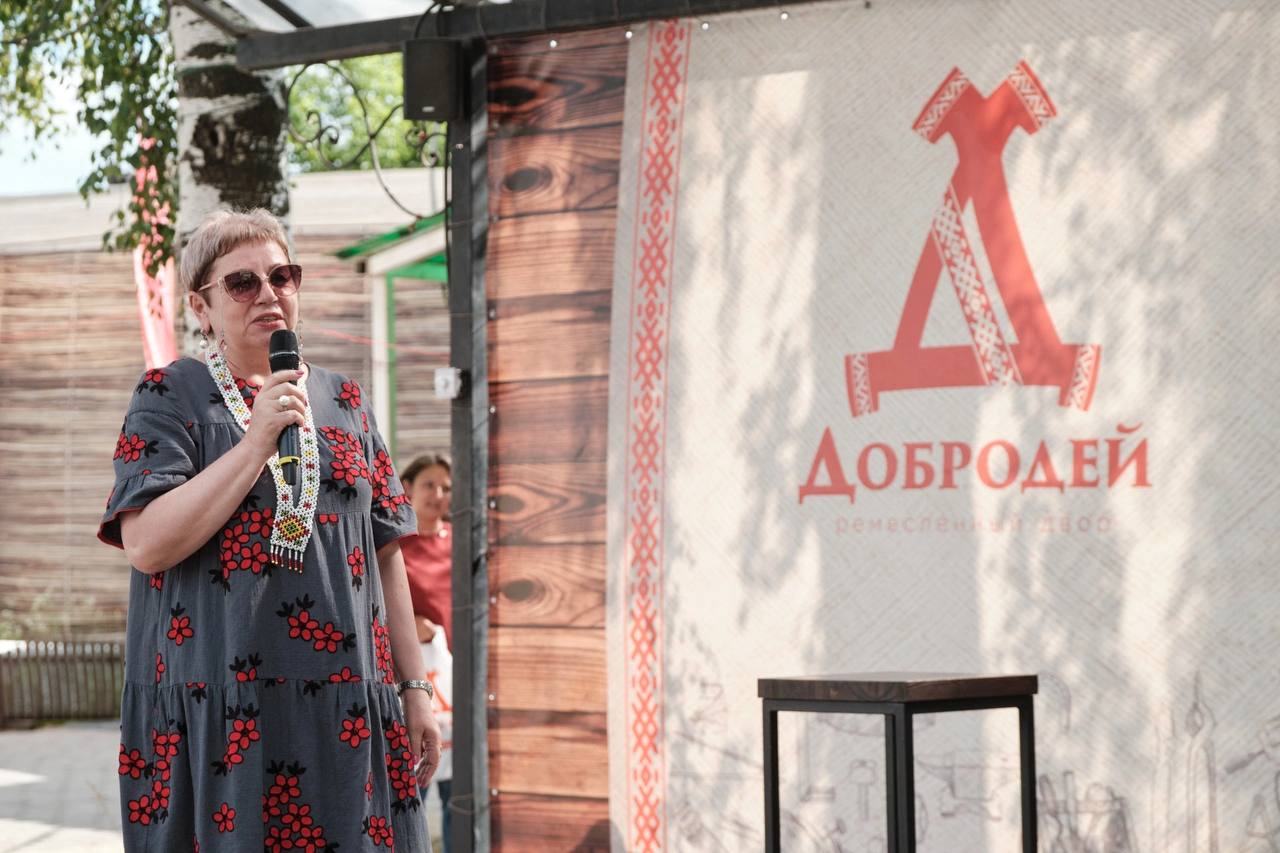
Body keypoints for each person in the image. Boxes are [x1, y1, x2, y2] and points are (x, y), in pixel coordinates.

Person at [99, 208, 439, 852]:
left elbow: (386, 550)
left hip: (347, 705)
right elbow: (146, 544)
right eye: (242, 282)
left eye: (282, 276)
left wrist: (415, 689)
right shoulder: (168, 395)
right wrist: (256, 440)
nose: (268, 293)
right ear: (201, 307)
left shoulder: (346, 400)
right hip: (221, 707)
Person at [399, 454, 454, 851]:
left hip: (459, 679)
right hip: (418, 681)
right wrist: (412, 624)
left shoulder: (460, 541)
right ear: (407, 489)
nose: (438, 494)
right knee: (413, 788)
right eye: (429, 485)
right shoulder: (396, 546)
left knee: (460, 795)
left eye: (446, 487)